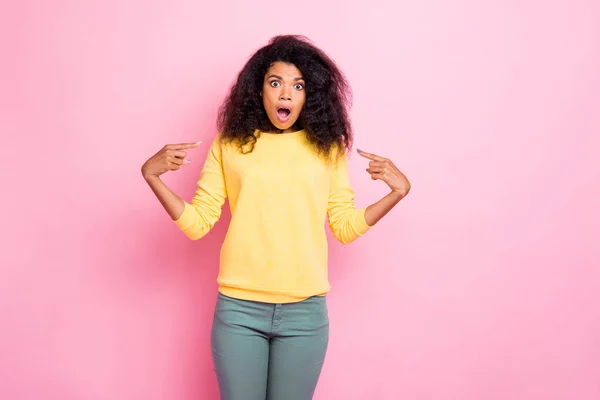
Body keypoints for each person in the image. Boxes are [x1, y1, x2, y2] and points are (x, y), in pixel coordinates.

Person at [141, 35, 410, 400]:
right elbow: (198, 221)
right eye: (276, 82)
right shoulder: (230, 144)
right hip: (239, 311)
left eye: (297, 86)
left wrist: (396, 193)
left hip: (305, 314)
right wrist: (153, 177)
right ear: (259, 90)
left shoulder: (326, 148)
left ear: (309, 95)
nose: (286, 94)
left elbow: (345, 227)